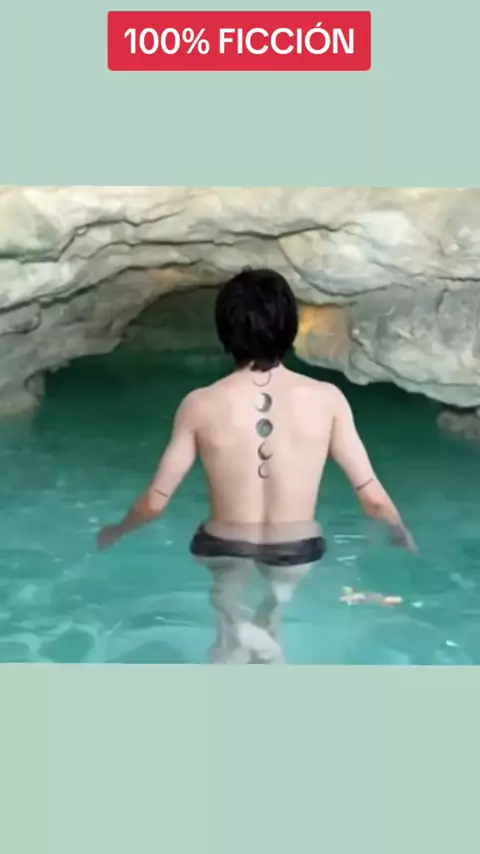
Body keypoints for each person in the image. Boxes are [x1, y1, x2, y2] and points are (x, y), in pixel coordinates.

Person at [98, 267, 415, 663]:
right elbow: (371, 497)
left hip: (223, 545)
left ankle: (234, 629)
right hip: (297, 549)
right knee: (276, 608)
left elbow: (156, 502)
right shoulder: (328, 399)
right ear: (290, 326)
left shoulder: (199, 404)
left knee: (227, 624)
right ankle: (266, 633)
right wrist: (399, 530)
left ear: (224, 330)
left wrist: (117, 530)